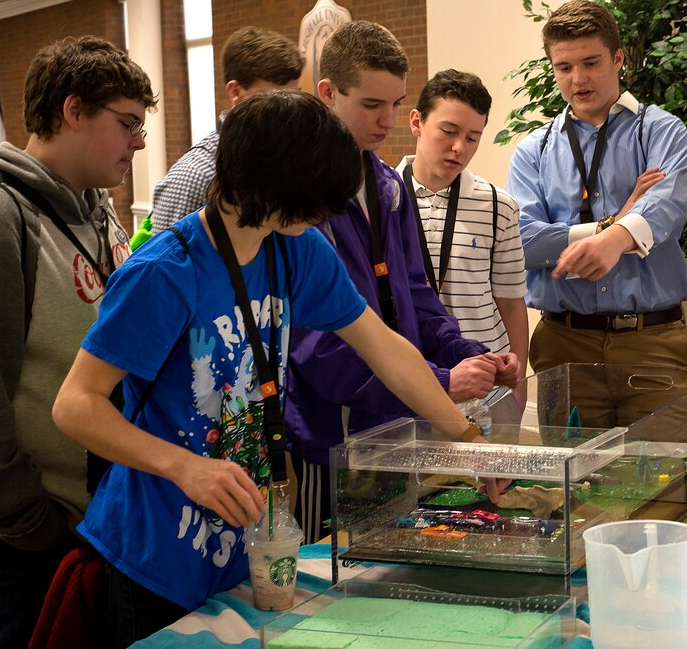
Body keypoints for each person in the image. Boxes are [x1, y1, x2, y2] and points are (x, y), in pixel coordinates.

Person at [51, 90, 499, 645]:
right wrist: (184, 467)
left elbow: (385, 348)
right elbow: (75, 404)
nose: (322, 214)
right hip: (154, 552)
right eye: (312, 199)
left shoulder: (296, 249)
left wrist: (468, 439)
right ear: (266, 184)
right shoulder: (166, 272)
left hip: (244, 544)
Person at [286, 22, 518, 541]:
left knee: (392, 556)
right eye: (371, 104)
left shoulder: (387, 184)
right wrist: (438, 385)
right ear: (327, 93)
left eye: (395, 103)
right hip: (334, 433)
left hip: (398, 424)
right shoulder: (301, 203)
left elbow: (414, 295)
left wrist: (465, 353)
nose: (387, 121)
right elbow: (317, 348)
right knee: (333, 573)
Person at [0, 35, 154, 648]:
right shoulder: (5, 215)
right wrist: (24, 518)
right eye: (126, 124)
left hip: (97, 518)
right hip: (29, 537)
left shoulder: (97, 209)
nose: (139, 142)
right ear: (72, 110)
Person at [505, 0, 687, 432]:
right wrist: (611, 227)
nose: (578, 79)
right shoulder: (533, 150)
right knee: (573, 487)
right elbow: (522, 241)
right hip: (564, 341)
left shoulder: (660, 130)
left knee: (663, 478)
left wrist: (615, 240)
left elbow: (665, 207)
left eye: (590, 62)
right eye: (564, 67)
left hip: (652, 340)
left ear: (618, 58)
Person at [397, 70, 528, 418]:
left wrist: (519, 385)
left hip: (485, 383)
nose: (459, 148)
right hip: (409, 381)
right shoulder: (384, 200)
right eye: (449, 131)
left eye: (473, 137)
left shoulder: (499, 205)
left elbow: (512, 303)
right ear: (417, 122)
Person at [150, 26, 302, 231]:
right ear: (235, 91)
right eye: (275, 97)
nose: (290, 111)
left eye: (296, 96)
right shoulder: (195, 175)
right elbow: (166, 259)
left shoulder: (288, 162)